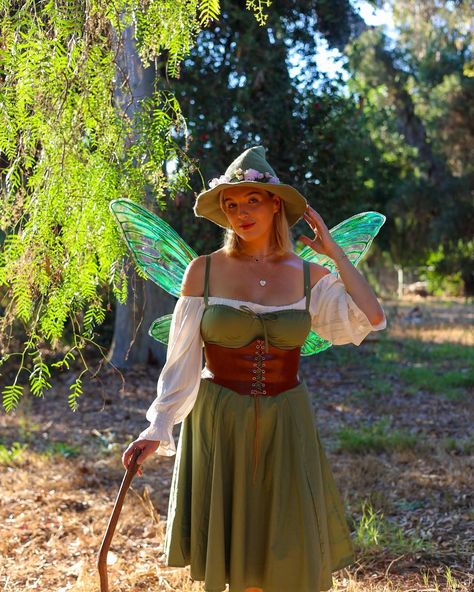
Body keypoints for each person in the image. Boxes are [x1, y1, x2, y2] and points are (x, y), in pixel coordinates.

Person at [122, 146, 387, 592]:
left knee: (281, 549)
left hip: (287, 419)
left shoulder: (308, 276)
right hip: (219, 419)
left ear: (275, 205)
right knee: (235, 558)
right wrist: (158, 426)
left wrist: (334, 252)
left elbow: (371, 318)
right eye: (230, 204)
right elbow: (182, 360)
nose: (239, 213)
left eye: (251, 201)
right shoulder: (203, 271)